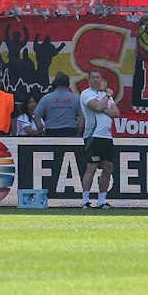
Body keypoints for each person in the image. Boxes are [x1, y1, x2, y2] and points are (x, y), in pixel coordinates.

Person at [79, 72, 119, 208]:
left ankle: (101, 200)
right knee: (92, 167)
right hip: (93, 136)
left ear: (101, 79)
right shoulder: (86, 94)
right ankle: (85, 201)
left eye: (98, 77)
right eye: (93, 77)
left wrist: (104, 108)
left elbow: (116, 113)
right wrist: (107, 98)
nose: (96, 80)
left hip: (107, 137)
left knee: (108, 168)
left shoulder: (104, 96)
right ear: (89, 80)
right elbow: (97, 107)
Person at [33, 71, 82, 137]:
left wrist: (40, 132)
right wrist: (78, 134)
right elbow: (82, 118)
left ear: (54, 83)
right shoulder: (76, 98)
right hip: (70, 131)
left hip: (51, 131)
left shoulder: (46, 98)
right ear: (68, 83)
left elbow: (36, 116)